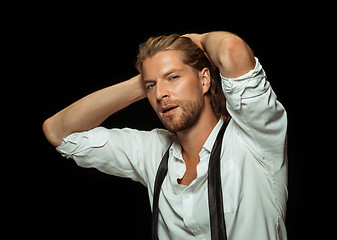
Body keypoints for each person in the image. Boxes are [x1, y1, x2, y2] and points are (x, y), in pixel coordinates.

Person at [43, 31, 288, 239]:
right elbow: (58, 132)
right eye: (152, 86)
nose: (161, 94)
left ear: (204, 80)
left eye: (173, 77)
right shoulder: (153, 151)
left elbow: (232, 49)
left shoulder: (254, 138)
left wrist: (198, 40)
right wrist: (143, 82)